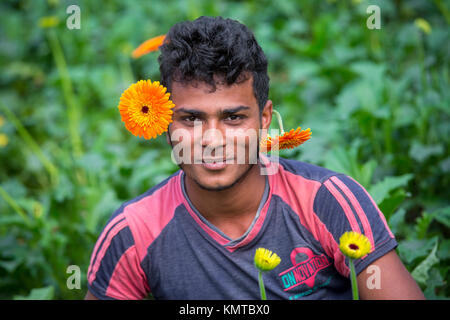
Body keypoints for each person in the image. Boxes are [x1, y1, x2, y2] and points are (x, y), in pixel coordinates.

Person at [85, 16, 424, 300]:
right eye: (191, 119)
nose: (212, 140)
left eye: (233, 118)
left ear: (264, 119)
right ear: (165, 122)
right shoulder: (132, 233)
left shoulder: (328, 200)